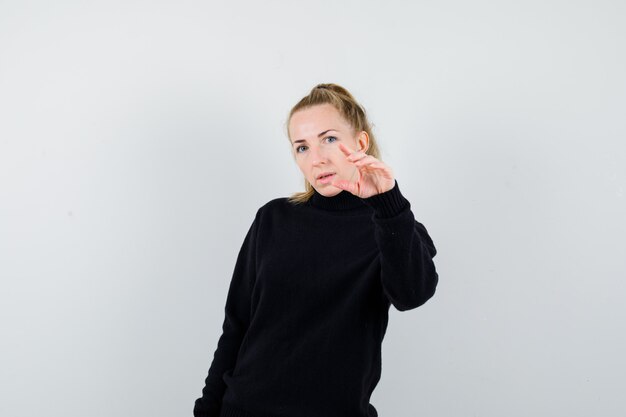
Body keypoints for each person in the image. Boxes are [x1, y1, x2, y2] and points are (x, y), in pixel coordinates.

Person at [193, 83, 439, 417]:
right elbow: (236, 325)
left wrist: (388, 203)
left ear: (360, 143)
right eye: (302, 147)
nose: (317, 158)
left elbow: (412, 294)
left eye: (330, 139)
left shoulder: (393, 227)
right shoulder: (273, 219)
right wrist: (206, 411)